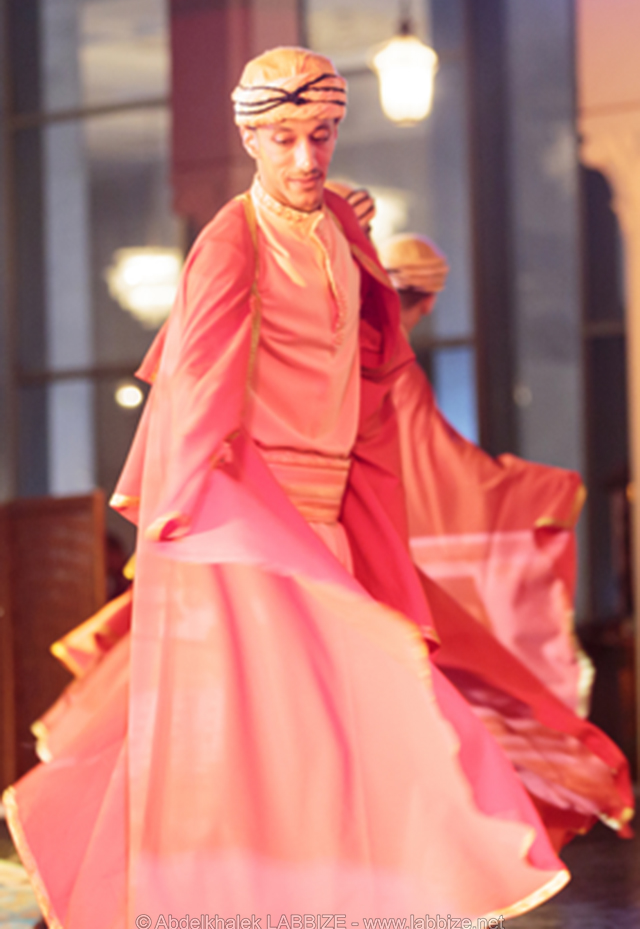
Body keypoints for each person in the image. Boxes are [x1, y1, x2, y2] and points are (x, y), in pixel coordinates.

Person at [2, 48, 631, 928]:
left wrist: (357, 233)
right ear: (250, 139)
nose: (307, 157)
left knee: (326, 727)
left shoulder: (335, 218)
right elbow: (195, 406)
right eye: (285, 137)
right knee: (278, 730)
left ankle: (326, 902)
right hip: (243, 528)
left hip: (326, 522)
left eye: (323, 134)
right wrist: (223, 519)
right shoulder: (231, 241)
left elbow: (370, 368)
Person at [380, 232, 591, 717]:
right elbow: (441, 466)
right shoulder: (396, 365)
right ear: (430, 301)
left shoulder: (363, 352)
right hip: (395, 523)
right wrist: (537, 488)